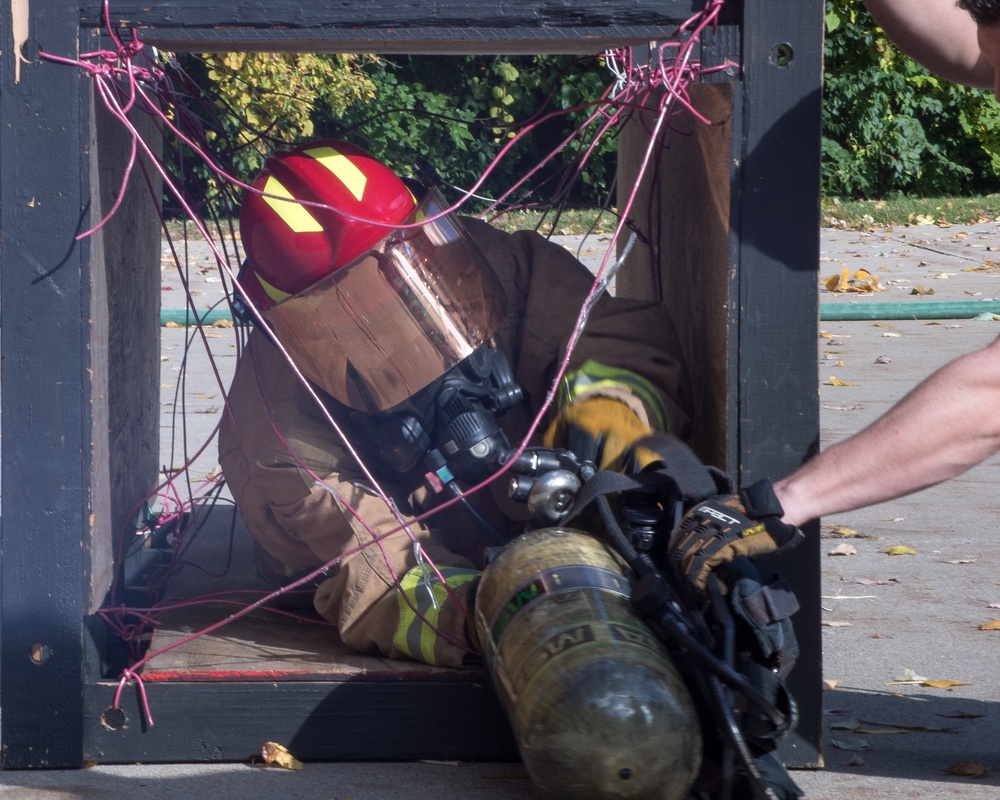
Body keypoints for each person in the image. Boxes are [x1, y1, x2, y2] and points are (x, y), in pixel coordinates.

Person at [219, 138, 692, 668]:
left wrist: (608, 419)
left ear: (430, 244)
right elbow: (378, 568)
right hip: (417, 554)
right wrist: (489, 615)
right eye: (360, 329)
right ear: (298, 335)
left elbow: (611, 337)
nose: (400, 342)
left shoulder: (502, 268)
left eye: (407, 292)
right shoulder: (277, 434)